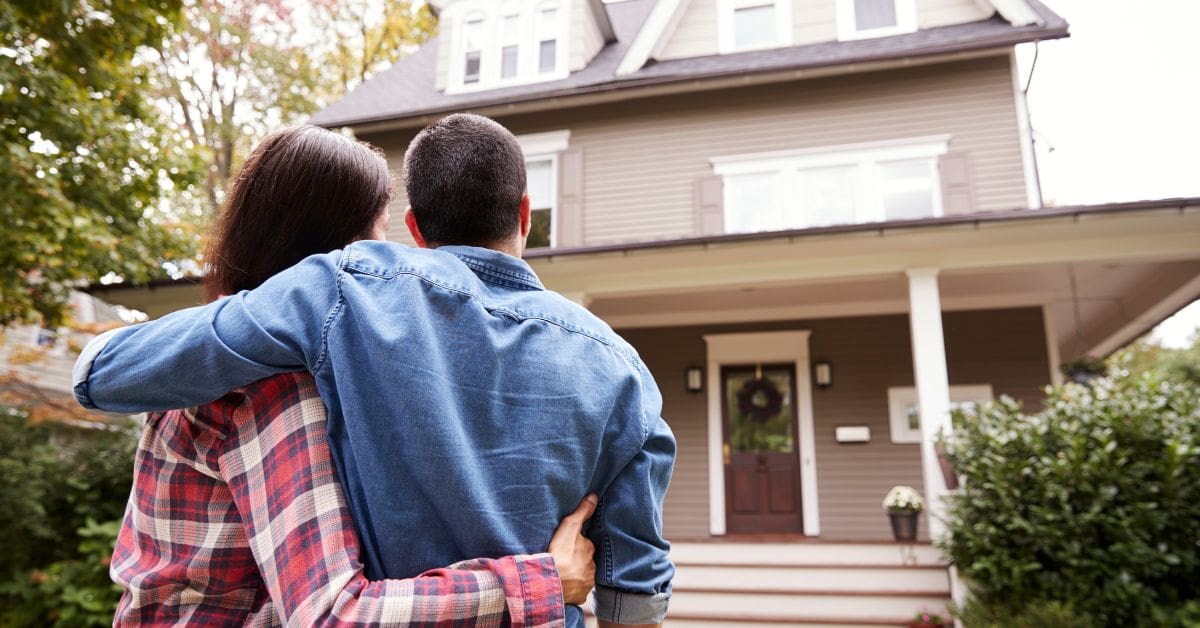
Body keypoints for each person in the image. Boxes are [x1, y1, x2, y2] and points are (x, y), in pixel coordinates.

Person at [75, 114, 676, 627]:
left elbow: (104, 375)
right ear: (526, 213)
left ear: (416, 228)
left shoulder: (337, 294)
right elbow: (636, 577)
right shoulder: (622, 367)